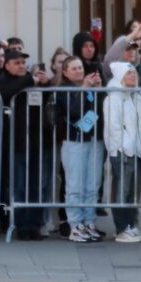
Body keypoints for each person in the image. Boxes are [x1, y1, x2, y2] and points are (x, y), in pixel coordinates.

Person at [0, 50, 52, 241]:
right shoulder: (5, 81)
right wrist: (30, 81)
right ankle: (20, 225)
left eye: (23, 63)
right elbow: (6, 93)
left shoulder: (30, 81)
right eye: (17, 63)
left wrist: (47, 85)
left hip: (36, 141)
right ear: (7, 65)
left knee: (37, 186)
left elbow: (43, 103)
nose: (21, 66)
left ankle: (34, 225)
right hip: (17, 143)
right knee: (19, 186)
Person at [56, 56, 104, 243]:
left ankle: (89, 221)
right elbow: (74, 110)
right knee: (75, 185)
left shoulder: (91, 87)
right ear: (66, 72)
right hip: (74, 141)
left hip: (94, 139)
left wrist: (99, 89)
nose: (78, 71)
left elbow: (99, 111)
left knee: (93, 184)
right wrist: (85, 88)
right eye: (74, 68)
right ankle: (75, 224)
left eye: (80, 67)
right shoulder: (63, 89)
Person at [103, 61, 141, 242]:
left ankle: (131, 224)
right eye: (128, 73)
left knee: (133, 191)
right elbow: (113, 126)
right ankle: (121, 227)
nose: (132, 76)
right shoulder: (113, 97)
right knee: (122, 189)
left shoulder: (138, 95)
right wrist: (120, 147)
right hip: (123, 150)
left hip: (139, 149)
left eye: (134, 73)